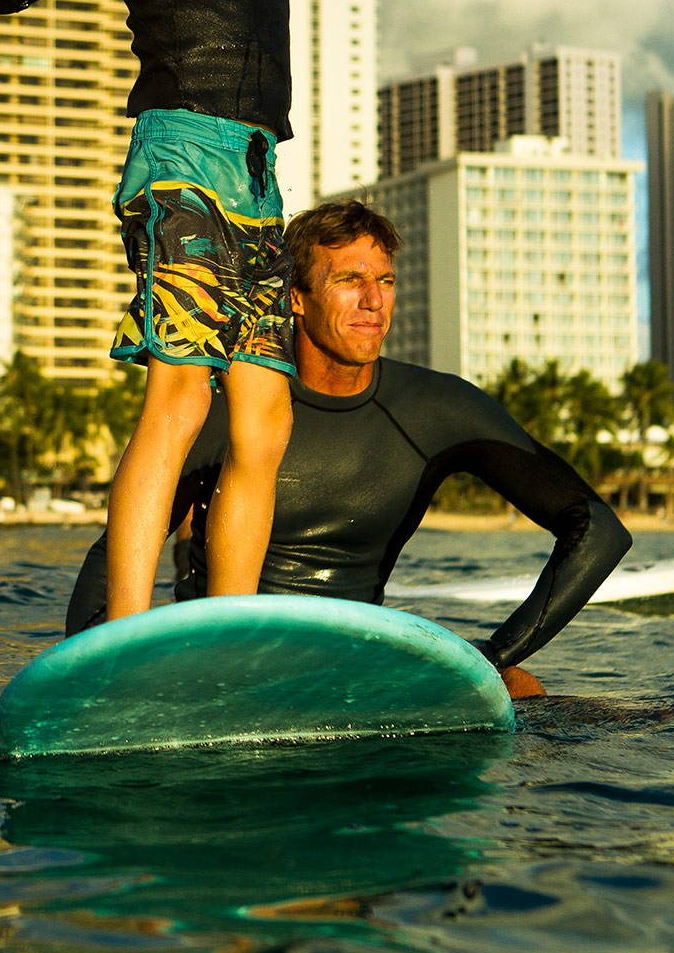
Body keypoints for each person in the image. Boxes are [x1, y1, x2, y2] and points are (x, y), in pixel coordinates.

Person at [0, 0, 445, 619]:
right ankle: (126, 629)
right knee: (183, 392)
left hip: (256, 170)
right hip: (178, 156)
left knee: (265, 420)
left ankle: (225, 630)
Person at [65, 199, 633, 695]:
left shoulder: (436, 409)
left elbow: (598, 530)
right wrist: (97, 677)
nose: (373, 301)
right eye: (348, 280)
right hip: (221, 661)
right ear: (295, 299)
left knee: (521, 689)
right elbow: (110, 553)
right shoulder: (234, 409)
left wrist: (495, 656)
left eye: (385, 281)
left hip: (346, 667)